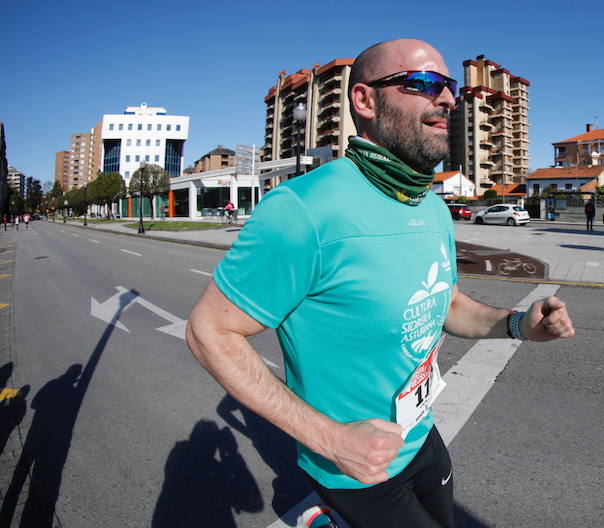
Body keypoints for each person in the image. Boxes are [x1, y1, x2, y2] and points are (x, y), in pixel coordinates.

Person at [185, 39, 575, 528]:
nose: (449, 99)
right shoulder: (303, 209)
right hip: (357, 469)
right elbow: (209, 332)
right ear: (365, 101)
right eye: (423, 83)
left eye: (449, 86)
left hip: (422, 437)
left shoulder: (431, 206)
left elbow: (448, 303)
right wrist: (330, 441)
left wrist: (519, 325)